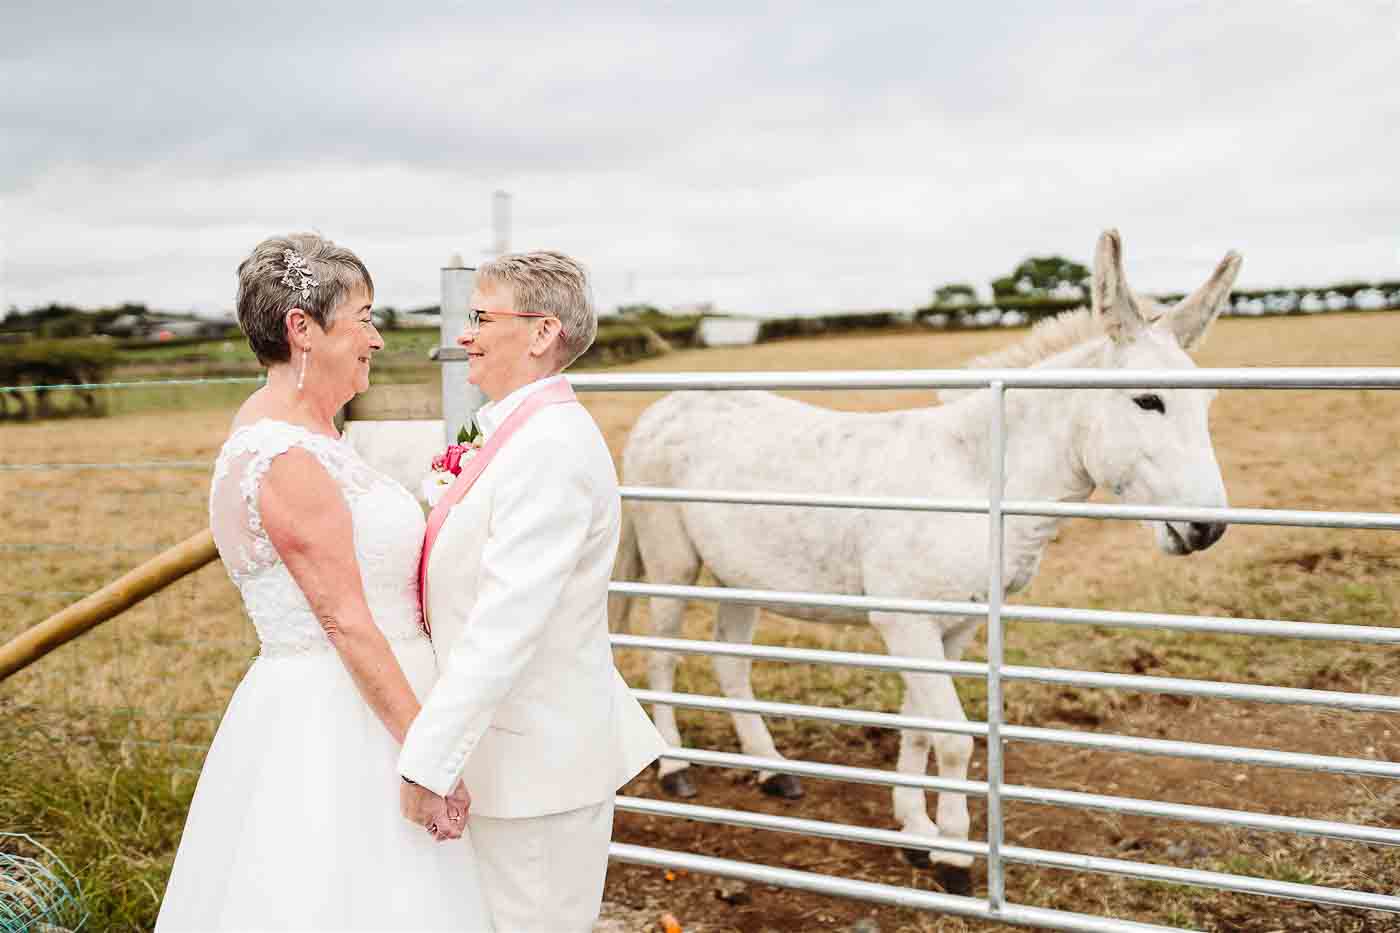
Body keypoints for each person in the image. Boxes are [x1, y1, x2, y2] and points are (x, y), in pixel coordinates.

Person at [157, 234, 492, 931]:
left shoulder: (316, 438)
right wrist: (426, 755)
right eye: (364, 316)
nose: (375, 337)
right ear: (301, 328)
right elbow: (344, 618)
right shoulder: (281, 454)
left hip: (371, 698)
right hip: (341, 724)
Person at [398, 251, 666, 932]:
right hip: (510, 763)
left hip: (540, 774)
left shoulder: (549, 449)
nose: (464, 335)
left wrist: (429, 759)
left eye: (482, 317)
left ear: (543, 332)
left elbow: (505, 624)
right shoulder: (518, 435)